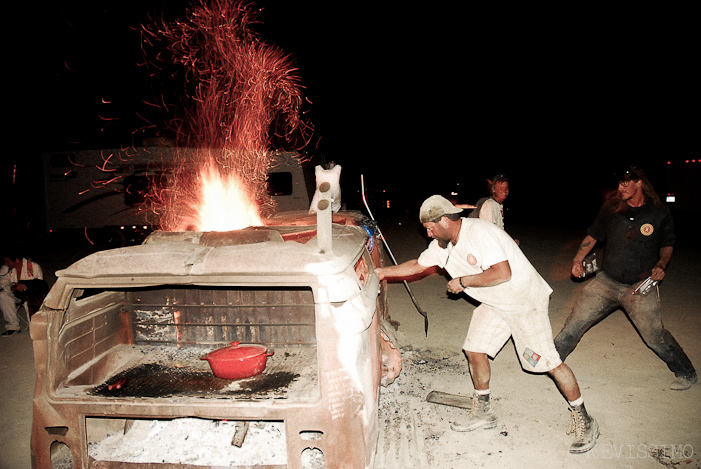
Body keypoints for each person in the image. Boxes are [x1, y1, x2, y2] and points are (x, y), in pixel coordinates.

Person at [375, 195, 599, 454]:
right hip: (495, 302)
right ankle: (483, 411)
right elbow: (417, 264)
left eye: (430, 227)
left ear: (445, 220)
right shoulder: (442, 244)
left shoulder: (480, 233)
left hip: (523, 301)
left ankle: (585, 418)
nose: (427, 232)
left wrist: (463, 281)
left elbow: (502, 273)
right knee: (474, 349)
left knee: (547, 363)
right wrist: (382, 273)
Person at [554, 164, 696, 391]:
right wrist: (578, 258)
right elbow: (593, 235)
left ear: (640, 182)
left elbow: (667, 244)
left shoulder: (658, 213)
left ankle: (687, 372)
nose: (620, 188)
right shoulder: (611, 207)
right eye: (619, 183)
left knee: (655, 336)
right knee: (574, 324)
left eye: (625, 183)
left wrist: (661, 264)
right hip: (607, 281)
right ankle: (551, 362)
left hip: (639, 287)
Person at [1, 255, 49, 336]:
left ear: (16, 260)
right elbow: (3, 284)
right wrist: (15, 287)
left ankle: (34, 326)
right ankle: (13, 326)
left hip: (32, 295)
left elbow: (40, 287)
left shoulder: (34, 267)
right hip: (16, 294)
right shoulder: (6, 269)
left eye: (7, 261)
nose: (5, 264)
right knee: (2, 295)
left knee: (31, 297)